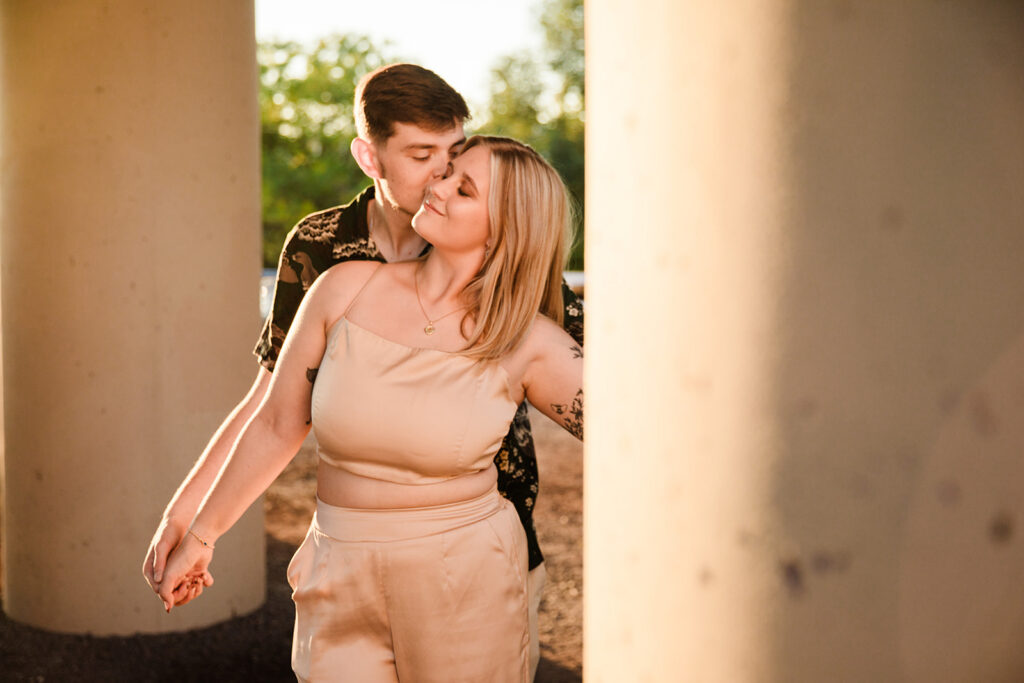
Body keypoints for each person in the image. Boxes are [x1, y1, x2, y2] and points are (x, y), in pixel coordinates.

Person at [141, 63, 584, 678]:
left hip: (473, 551)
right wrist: (191, 521)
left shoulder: (518, 290)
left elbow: (622, 407)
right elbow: (273, 410)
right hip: (343, 550)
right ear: (370, 157)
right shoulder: (328, 257)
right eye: (424, 157)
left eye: (455, 158)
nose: (440, 177)